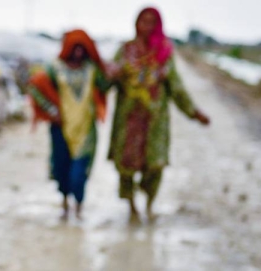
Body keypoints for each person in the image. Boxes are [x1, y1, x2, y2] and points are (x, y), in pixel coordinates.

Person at [107, 7, 210, 220]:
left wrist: (194, 112)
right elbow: (107, 79)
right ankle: (132, 206)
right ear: (135, 24)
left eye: (151, 22)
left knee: (155, 165)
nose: (146, 26)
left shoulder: (164, 53)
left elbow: (177, 87)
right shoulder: (125, 51)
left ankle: (150, 203)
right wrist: (112, 74)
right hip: (129, 121)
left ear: (158, 25)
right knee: (126, 165)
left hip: (155, 122)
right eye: (142, 21)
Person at [28, 29, 110, 219]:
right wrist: (51, 111)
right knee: (62, 167)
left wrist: (111, 72)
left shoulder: (92, 69)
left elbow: (105, 85)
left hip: (86, 128)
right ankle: (65, 204)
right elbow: (36, 86)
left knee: (79, 173)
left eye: (82, 48)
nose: (79, 53)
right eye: (75, 48)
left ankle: (79, 207)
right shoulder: (54, 68)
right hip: (61, 128)